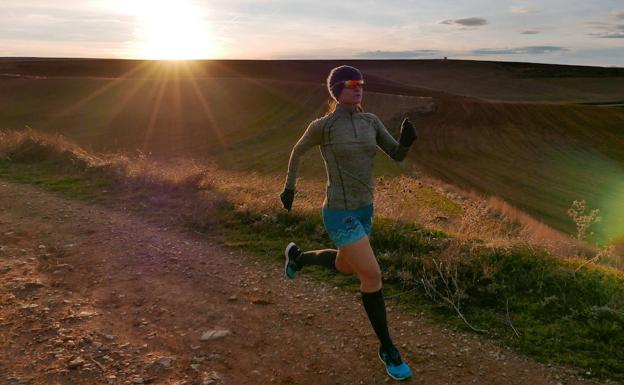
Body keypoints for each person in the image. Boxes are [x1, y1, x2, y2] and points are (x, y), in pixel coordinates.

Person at [279, 65, 417, 381]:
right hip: (340, 212)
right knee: (371, 274)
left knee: (345, 266)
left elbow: (395, 154)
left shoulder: (371, 121)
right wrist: (289, 188)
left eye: (362, 83)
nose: (359, 88)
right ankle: (388, 349)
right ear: (337, 89)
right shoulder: (323, 127)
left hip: (366, 209)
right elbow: (297, 151)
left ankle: (298, 258)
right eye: (353, 84)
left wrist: (406, 141)